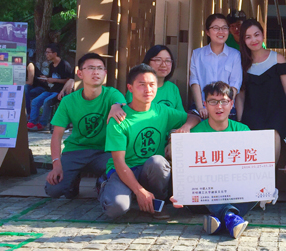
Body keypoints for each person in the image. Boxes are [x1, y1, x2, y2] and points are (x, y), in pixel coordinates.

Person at [98, 64, 200, 219]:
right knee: (116, 209)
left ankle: (156, 204)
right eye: (142, 85)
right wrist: (139, 191)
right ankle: (106, 187)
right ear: (130, 88)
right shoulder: (118, 118)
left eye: (152, 85)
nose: (148, 90)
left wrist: (186, 126)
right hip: (124, 169)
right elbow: (119, 162)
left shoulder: (162, 111)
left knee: (158, 162)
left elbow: (194, 118)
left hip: (150, 169)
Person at [170, 81, 255, 239]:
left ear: (231, 104)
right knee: (201, 185)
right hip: (202, 199)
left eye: (224, 101)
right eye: (213, 102)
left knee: (256, 192)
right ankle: (230, 216)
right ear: (205, 104)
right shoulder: (194, 134)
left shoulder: (243, 131)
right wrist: (179, 191)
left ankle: (221, 219)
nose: (219, 107)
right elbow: (185, 173)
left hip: (234, 194)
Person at [44, 53, 126, 199]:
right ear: (80, 73)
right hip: (76, 150)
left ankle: (102, 182)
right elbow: (56, 135)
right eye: (91, 68)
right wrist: (56, 164)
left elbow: (121, 104)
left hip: (104, 151)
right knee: (54, 190)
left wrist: (116, 106)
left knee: (119, 171)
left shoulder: (112, 94)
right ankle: (73, 180)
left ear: (105, 73)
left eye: (100, 68)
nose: (96, 72)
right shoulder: (68, 101)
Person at [235, 19, 286, 161]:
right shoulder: (241, 63)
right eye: (248, 37)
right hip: (253, 112)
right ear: (243, 40)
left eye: (256, 35)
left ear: (263, 35)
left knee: (274, 136)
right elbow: (241, 95)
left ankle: (271, 174)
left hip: (277, 111)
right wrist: (240, 120)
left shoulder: (278, 59)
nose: (254, 40)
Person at [189, 14, 242, 119]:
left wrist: (223, 107)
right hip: (203, 108)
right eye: (216, 28)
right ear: (207, 32)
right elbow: (195, 82)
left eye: (224, 28)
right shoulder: (197, 54)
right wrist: (200, 108)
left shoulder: (235, 55)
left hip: (227, 109)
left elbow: (235, 84)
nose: (221, 31)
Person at [28, 44, 74, 131]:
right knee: (35, 101)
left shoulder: (64, 65)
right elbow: (51, 78)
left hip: (60, 91)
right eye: (46, 52)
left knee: (47, 101)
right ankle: (32, 122)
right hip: (51, 89)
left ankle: (43, 124)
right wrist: (45, 78)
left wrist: (54, 80)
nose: (46, 54)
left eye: (48, 52)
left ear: (55, 53)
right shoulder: (51, 65)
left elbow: (68, 80)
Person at [126, 45, 183, 110]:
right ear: (148, 62)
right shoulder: (136, 88)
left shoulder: (173, 88)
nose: (163, 65)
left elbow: (181, 115)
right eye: (158, 60)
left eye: (167, 61)